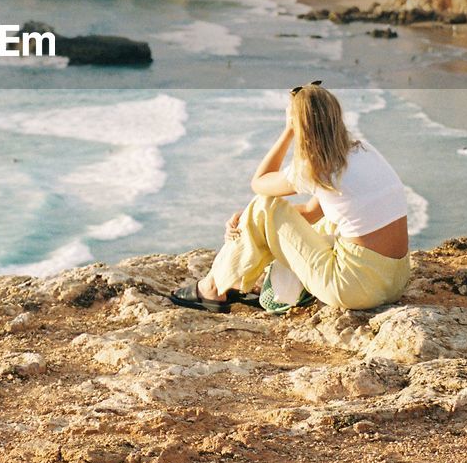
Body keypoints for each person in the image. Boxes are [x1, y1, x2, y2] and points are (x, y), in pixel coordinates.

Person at [170, 82, 411, 313]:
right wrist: (249, 221)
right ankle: (253, 282)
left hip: (353, 290)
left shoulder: (316, 169)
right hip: (395, 281)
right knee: (320, 220)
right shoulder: (363, 151)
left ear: (300, 125)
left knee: (264, 205)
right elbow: (311, 212)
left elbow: (260, 183)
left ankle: (212, 288)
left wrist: (287, 132)